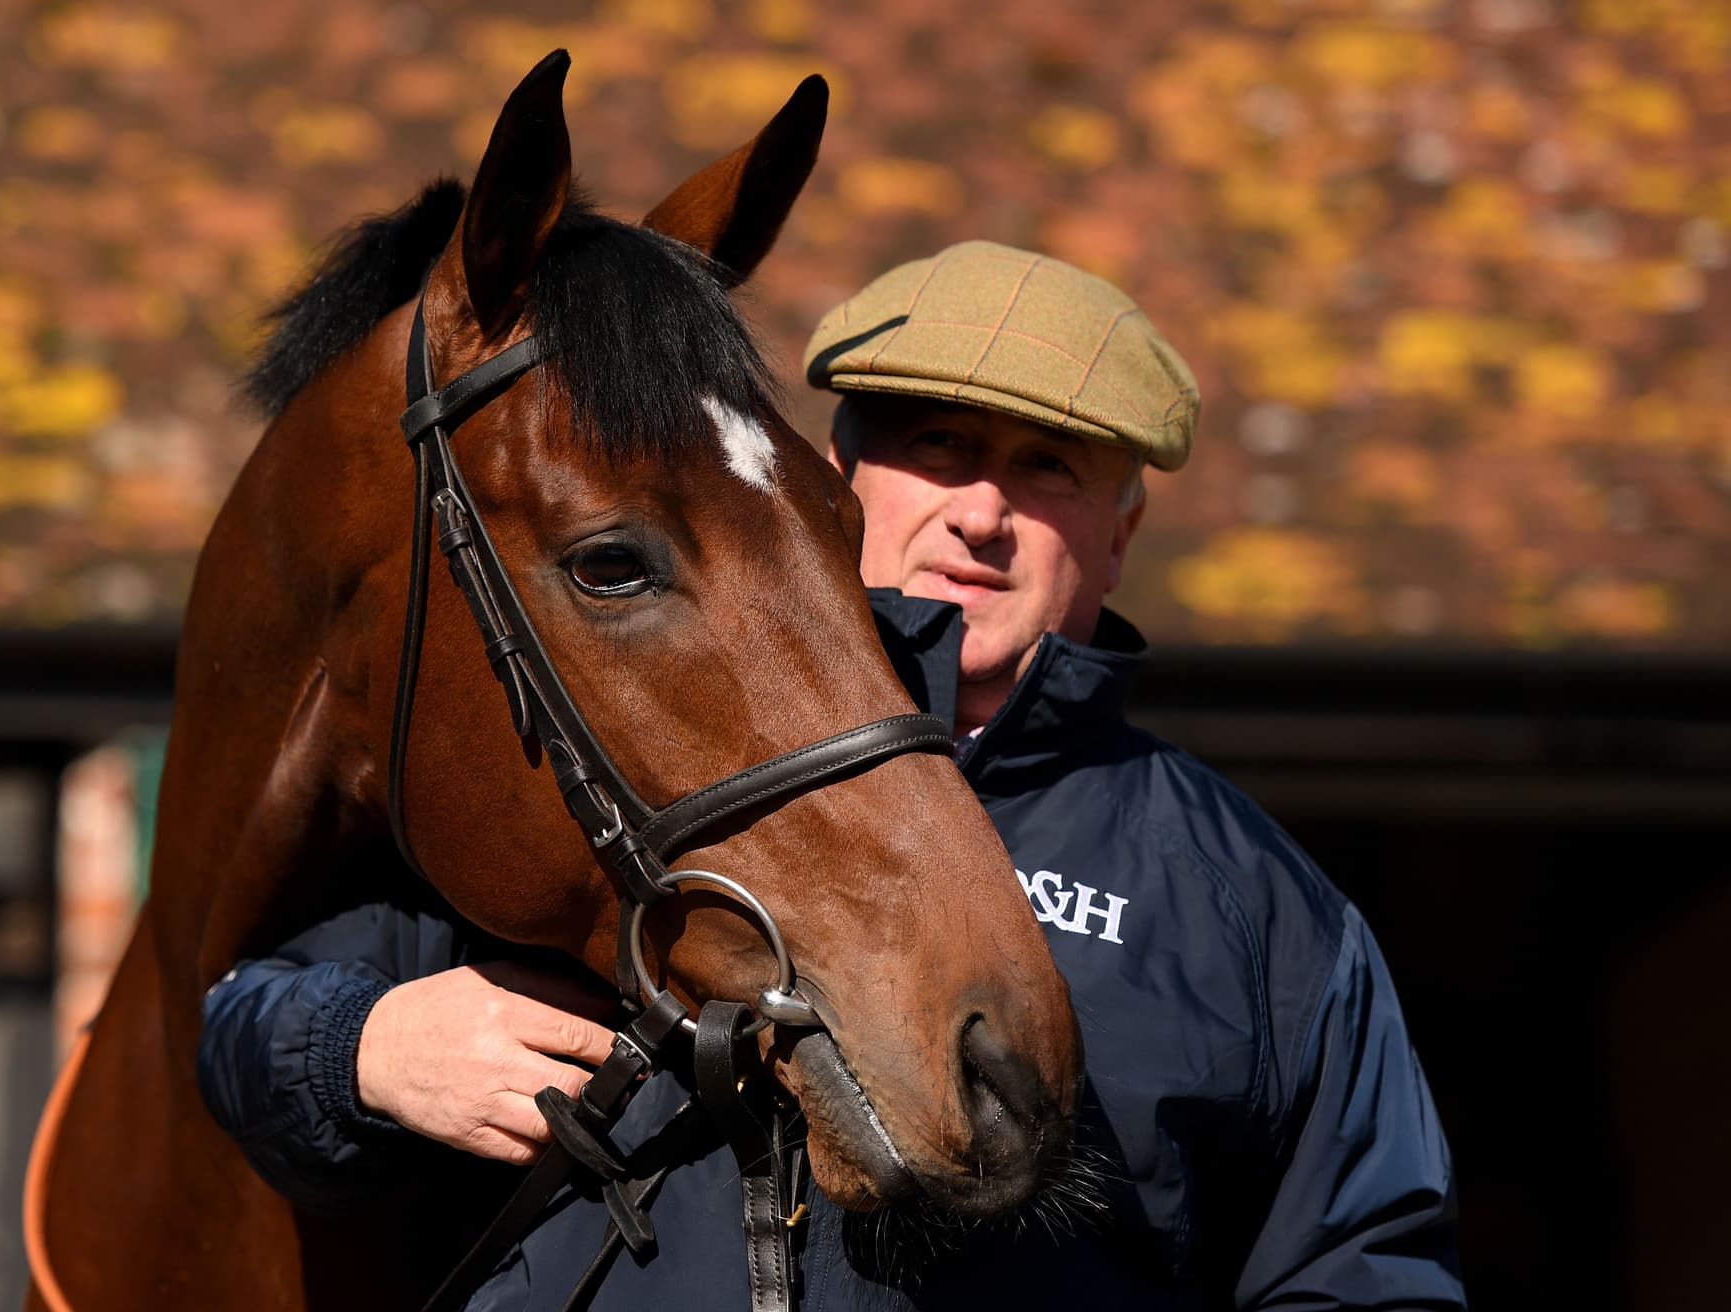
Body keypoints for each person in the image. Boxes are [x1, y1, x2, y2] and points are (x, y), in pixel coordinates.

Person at [196, 241, 1466, 1308]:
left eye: (1050, 468)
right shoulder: (637, 724)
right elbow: (239, 1021)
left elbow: (1360, 1265)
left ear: (1120, 535)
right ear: (835, 478)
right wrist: (357, 1045)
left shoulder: (1256, 910)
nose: (983, 510)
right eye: (942, 444)